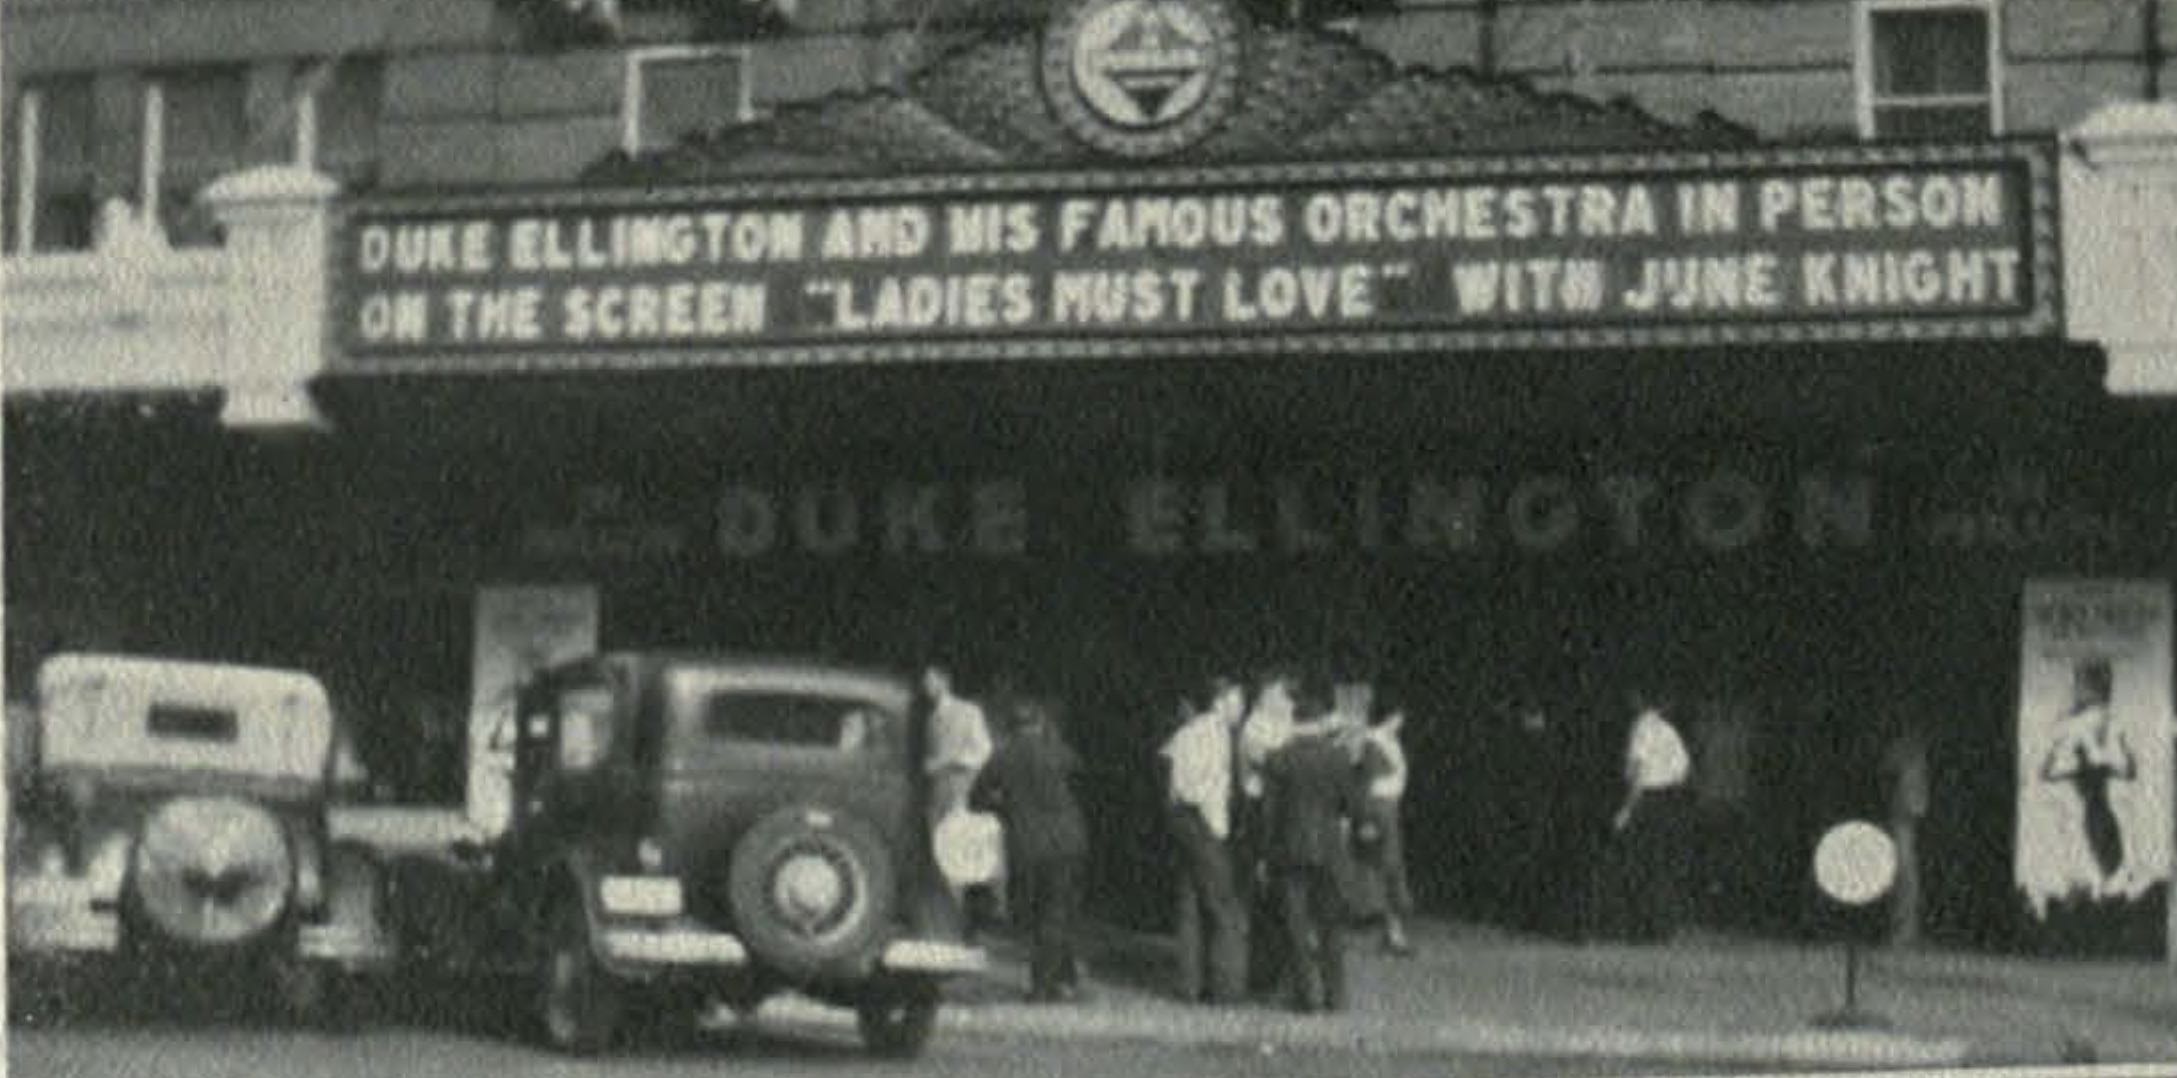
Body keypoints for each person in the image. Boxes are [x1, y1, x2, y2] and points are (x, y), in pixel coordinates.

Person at [976, 697, 1089, 1001]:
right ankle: (1053, 983)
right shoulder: (1057, 751)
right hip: (1069, 840)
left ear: (1012, 727)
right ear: (1039, 723)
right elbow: (1081, 775)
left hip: (1027, 844)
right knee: (1058, 910)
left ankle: (1052, 982)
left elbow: (976, 798)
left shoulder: (1003, 755)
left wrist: (1002, 806)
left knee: (1040, 913)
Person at [1261, 685, 1365, 1013]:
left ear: (1295, 721)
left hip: (1290, 851)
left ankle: (1306, 997)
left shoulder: (1278, 759)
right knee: (1330, 925)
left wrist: (1265, 854)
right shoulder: (1338, 758)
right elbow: (1352, 804)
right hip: (1330, 849)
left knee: (1296, 925)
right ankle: (1337, 996)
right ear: (1321, 722)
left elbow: (1269, 813)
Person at [1160, 677, 1248, 1003]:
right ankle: (1227, 988)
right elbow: (1204, 790)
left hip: (1184, 822)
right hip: (1204, 825)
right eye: (1238, 701)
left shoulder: (1186, 733)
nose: (1241, 708)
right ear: (1220, 700)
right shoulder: (1214, 734)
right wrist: (1216, 831)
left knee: (1191, 904)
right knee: (1224, 908)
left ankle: (1190, 984)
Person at [1600, 688, 1692, 941]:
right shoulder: (1669, 731)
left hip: (1646, 800)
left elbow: (1638, 770)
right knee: (1661, 864)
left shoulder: (1641, 728)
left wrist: (1627, 809)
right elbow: (1683, 772)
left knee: (1637, 864)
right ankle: (1663, 928)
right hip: (1669, 800)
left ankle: (1635, 927)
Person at [2038, 659, 2137, 889]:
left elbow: (2045, 775)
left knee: (2105, 854)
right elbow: (2130, 772)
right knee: (2105, 855)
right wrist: (2123, 746)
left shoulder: (2083, 771)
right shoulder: (2094, 769)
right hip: (2099, 815)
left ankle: (2108, 886)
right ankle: (2107, 886)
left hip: (2096, 816)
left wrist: (2054, 750)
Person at [1236, 669, 1297, 997]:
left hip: (1281, 814)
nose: (1287, 700)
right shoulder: (1255, 727)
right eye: (1280, 694)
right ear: (1264, 695)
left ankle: (1280, 973)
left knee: (1282, 900)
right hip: (1261, 814)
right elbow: (1275, 763)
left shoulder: (1280, 723)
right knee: (1265, 898)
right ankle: (1262, 978)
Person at [923, 664, 994, 924]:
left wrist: (953, 761)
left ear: (944, 680)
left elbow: (983, 749)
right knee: (936, 851)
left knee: (956, 849)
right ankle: (942, 917)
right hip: (936, 791)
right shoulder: (931, 717)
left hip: (958, 788)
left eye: (930, 680)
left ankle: (959, 916)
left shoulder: (968, 711)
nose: (926, 686)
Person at [1355, 694, 1415, 955]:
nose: (1401, 722)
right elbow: (1367, 784)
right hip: (1379, 810)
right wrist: (1366, 819)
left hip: (1390, 808)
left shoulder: (1390, 741)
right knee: (1386, 869)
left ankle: (1393, 931)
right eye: (1398, 717)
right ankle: (1391, 931)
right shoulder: (1373, 742)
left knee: (1390, 869)